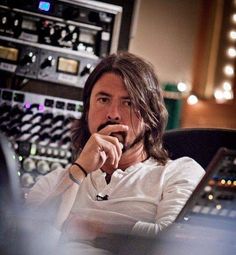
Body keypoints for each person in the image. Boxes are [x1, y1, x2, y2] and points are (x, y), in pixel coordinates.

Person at [27, 51, 204, 239]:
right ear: (87, 110)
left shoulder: (179, 174)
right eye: (103, 100)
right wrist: (79, 169)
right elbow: (27, 244)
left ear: (150, 116)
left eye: (128, 102)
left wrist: (92, 228)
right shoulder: (54, 182)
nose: (113, 114)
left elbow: (173, 243)